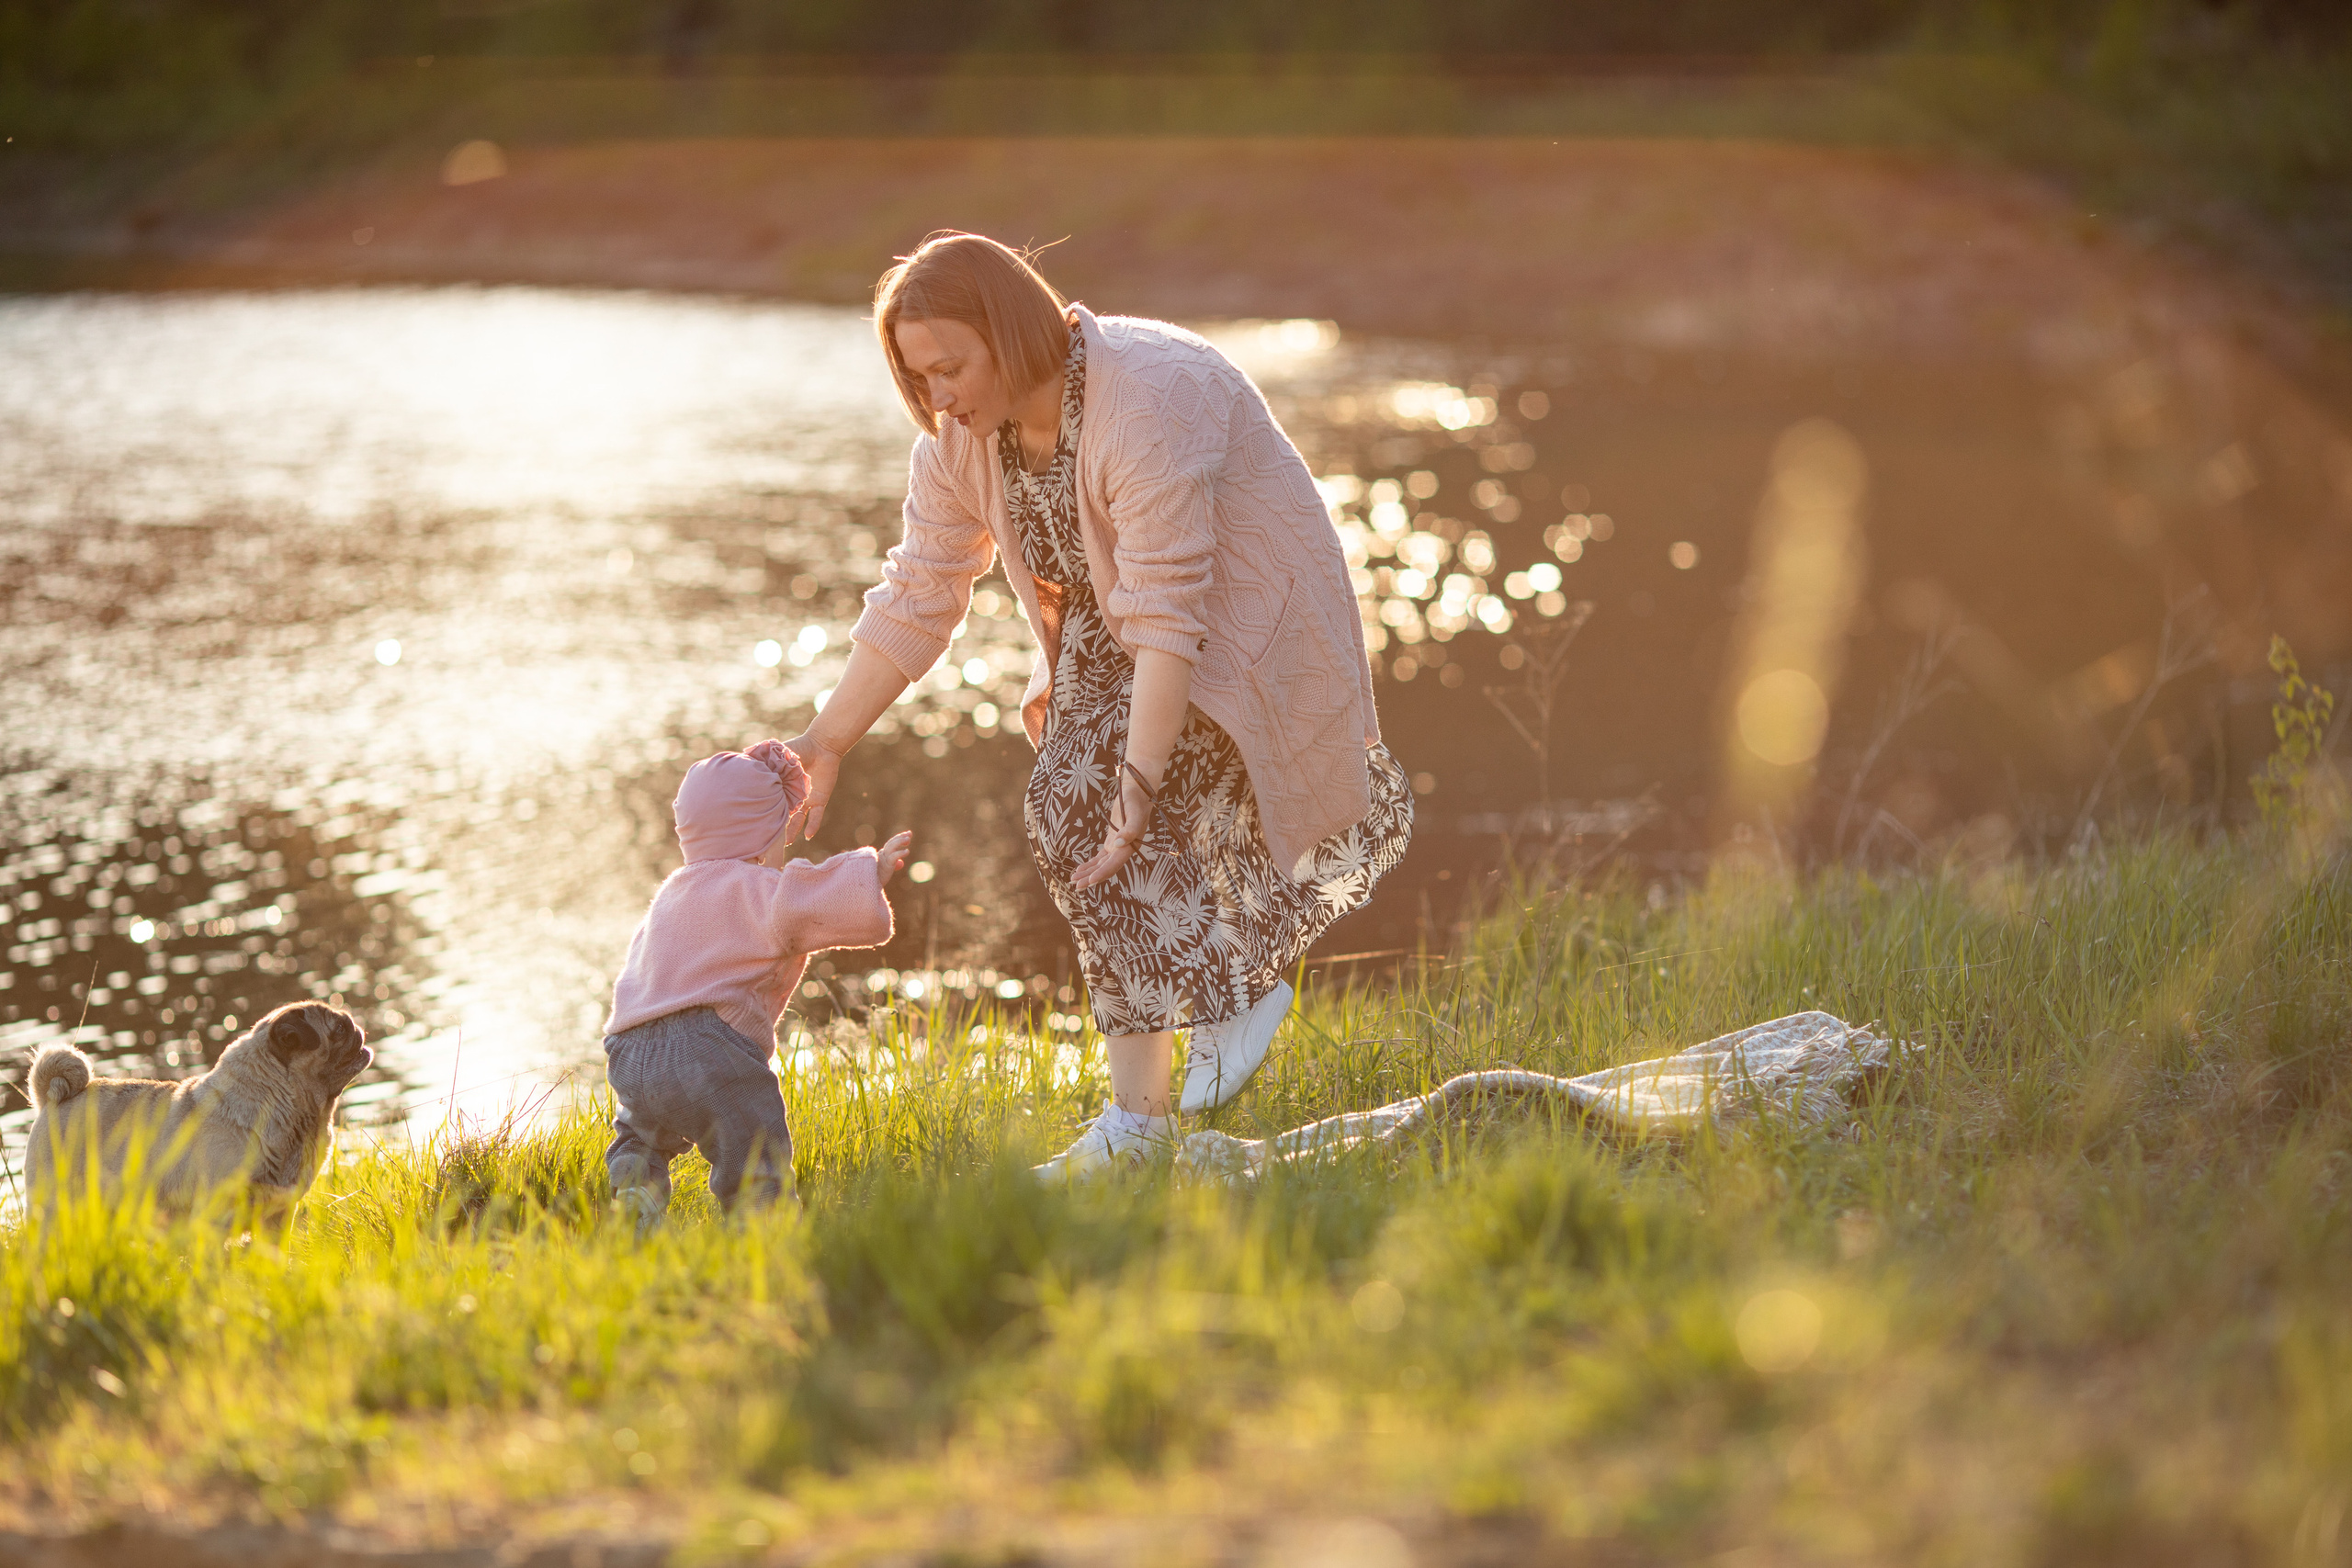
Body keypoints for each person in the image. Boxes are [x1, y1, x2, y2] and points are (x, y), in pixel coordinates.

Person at [786, 232, 1412, 1179]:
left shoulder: (1146, 397)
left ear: (1009, 333)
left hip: (1244, 622)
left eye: (952, 368)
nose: (938, 397)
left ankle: (1230, 992)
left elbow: (1171, 616)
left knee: (1097, 806)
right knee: (1072, 819)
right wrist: (826, 739)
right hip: (1115, 629)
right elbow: (920, 589)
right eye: (919, 378)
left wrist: (1136, 785)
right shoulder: (960, 443)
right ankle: (1141, 1125)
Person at [602, 739, 911, 1220]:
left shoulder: (670, 894)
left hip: (629, 1050)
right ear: (762, 832)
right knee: (752, 1143)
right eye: (780, 829)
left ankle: (634, 1189)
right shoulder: (758, 889)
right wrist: (874, 871)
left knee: (640, 1133)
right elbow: (816, 900)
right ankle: (763, 1226)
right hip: (706, 1050)